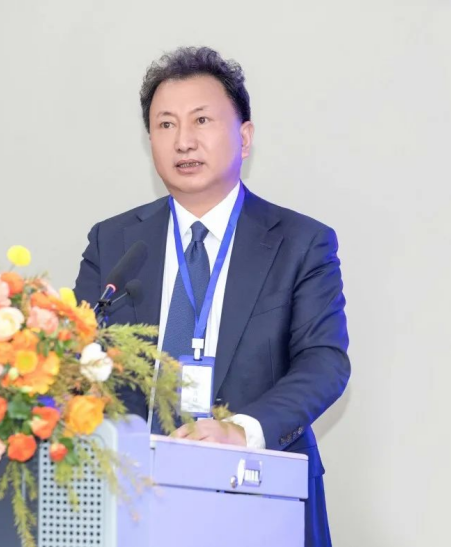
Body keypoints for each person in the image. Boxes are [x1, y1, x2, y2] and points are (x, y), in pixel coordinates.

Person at [74, 46, 350, 547]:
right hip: (133, 499)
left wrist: (242, 431)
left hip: (259, 497)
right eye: (165, 124)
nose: (183, 140)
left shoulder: (300, 242)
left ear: (244, 137)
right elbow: (77, 354)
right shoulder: (112, 241)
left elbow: (324, 363)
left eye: (201, 120)